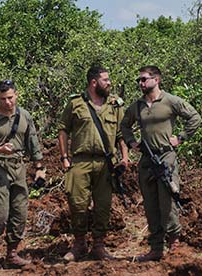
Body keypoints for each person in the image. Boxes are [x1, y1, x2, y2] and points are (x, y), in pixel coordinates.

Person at [120, 66, 201, 262]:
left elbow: (194, 117)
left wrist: (180, 138)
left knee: (168, 202)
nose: (141, 83)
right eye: (139, 80)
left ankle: (174, 244)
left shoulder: (170, 101)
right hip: (147, 160)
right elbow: (124, 125)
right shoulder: (137, 106)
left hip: (166, 158)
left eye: (144, 79)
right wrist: (131, 142)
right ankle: (156, 248)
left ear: (156, 80)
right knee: (150, 204)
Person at [57, 66, 128, 262]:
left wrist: (124, 158)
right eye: (106, 79)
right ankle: (79, 244)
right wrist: (64, 157)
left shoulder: (115, 105)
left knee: (103, 207)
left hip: (106, 163)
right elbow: (63, 130)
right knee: (77, 204)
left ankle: (99, 246)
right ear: (94, 83)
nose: (109, 83)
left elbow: (122, 135)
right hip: (80, 161)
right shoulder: (75, 103)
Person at [0, 79, 44, 269]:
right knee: (0, 213)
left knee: (20, 211)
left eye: (10, 98)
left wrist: (39, 167)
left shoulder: (25, 116)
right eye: (3, 99)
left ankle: (12, 253)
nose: (8, 102)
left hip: (19, 168)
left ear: (16, 95)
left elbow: (33, 142)